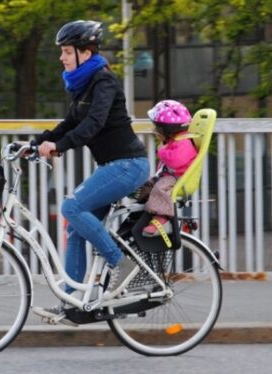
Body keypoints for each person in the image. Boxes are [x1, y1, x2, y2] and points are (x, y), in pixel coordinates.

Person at [32, 20, 150, 321]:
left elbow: (92, 125)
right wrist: (37, 143)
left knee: (72, 206)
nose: (62, 57)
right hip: (114, 166)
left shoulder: (103, 81)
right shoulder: (85, 84)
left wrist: (59, 147)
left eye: (67, 51)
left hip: (128, 165)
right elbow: (70, 123)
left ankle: (120, 264)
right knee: (75, 230)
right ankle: (71, 304)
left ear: (85, 52)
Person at [140, 100, 197, 237]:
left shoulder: (184, 142)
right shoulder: (175, 140)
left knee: (160, 187)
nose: (155, 131)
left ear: (167, 129)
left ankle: (163, 216)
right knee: (145, 185)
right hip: (169, 176)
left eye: (157, 128)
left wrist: (162, 150)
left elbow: (176, 160)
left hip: (178, 178)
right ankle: (145, 213)